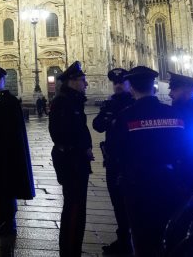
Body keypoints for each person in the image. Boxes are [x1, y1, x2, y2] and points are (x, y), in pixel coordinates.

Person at [106, 66, 189, 257]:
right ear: (154, 86)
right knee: (171, 232)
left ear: (132, 88)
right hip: (171, 183)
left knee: (143, 237)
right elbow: (187, 147)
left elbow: (114, 151)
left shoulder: (125, 116)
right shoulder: (173, 114)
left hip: (138, 187)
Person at [0, 66, 35, 237]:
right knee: (0, 185)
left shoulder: (10, 101)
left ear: (4, 80)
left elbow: (8, 126)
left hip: (9, 152)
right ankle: (2, 216)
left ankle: (10, 224)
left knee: (8, 187)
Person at [50, 62, 93, 257]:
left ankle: (74, 247)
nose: (86, 84)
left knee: (78, 207)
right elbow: (59, 133)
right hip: (71, 162)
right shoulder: (63, 101)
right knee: (74, 207)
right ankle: (69, 250)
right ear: (72, 81)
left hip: (77, 160)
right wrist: (79, 148)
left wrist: (86, 147)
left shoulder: (74, 100)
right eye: (83, 80)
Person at [92, 67, 134, 255]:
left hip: (132, 163)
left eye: (121, 82)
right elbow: (98, 125)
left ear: (129, 83)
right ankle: (123, 239)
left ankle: (135, 240)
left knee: (132, 203)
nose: (117, 85)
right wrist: (109, 116)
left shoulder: (135, 103)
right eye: (115, 83)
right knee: (117, 203)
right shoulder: (110, 104)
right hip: (113, 162)